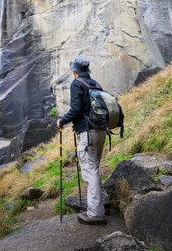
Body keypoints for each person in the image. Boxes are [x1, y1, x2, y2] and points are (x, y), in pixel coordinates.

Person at [57, 56, 109, 226]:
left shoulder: (77, 84)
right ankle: (104, 203)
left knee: (90, 169)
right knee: (94, 166)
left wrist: (61, 121)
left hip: (88, 133)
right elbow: (87, 110)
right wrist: (78, 124)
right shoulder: (95, 84)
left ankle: (95, 213)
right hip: (101, 130)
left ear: (75, 72)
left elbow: (76, 109)